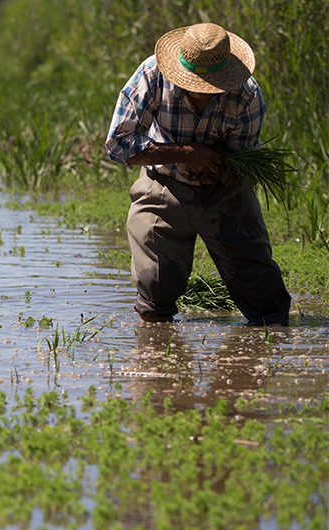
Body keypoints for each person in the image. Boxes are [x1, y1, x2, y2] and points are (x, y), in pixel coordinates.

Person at [104, 22, 291, 326]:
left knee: (264, 296)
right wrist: (186, 154)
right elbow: (118, 144)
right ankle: (156, 341)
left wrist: (223, 172)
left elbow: (241, 156)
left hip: (225, 193)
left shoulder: (247, 95)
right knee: (155, 288)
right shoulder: (152, 75)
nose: (200, 93)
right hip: (163, 183)